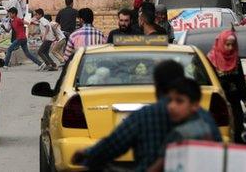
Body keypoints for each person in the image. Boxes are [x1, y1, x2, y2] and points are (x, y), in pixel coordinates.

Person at [77, 61, 220, 172]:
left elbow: (112, 145)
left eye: (179, 101)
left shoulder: (146, 116)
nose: (171, 107)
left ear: (157, 86)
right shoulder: (205, 117)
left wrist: (88, 154)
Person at [146, 78, 220, 172]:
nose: (171, 106)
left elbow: (158, 167)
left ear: (195, 105)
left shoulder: (180, 134)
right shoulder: (204, 125)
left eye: (179, 101)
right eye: (169, 100)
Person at [206, 29, 246, 142]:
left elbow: (241, 82)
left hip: (234, 102)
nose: (230, 48)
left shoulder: (236, 60)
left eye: (232, 45)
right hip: (218, 104)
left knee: (238, 130)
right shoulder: (211, 59)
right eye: (227, 44)